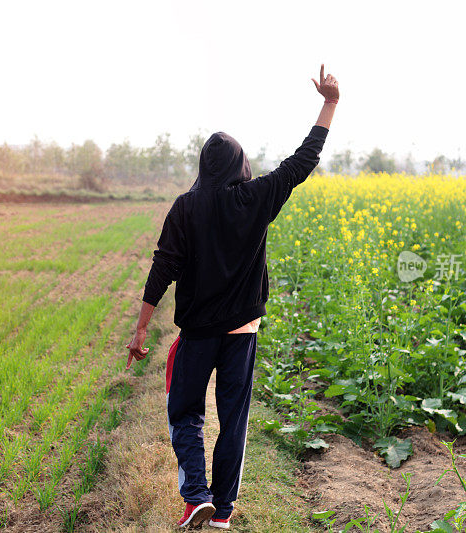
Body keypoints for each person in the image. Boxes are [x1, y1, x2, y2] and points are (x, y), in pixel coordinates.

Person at [125, 65, 339, 529]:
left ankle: (196, 494)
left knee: (184, 410)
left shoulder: (187, 206)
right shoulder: (257, 196)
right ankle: (221, 511)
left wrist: (142, 325)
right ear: (240, 164)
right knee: (233, 418)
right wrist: (330, 103)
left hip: (198, 333)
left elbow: (164, 265)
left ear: (204, 166)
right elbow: (302, 162)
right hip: (242, 331)